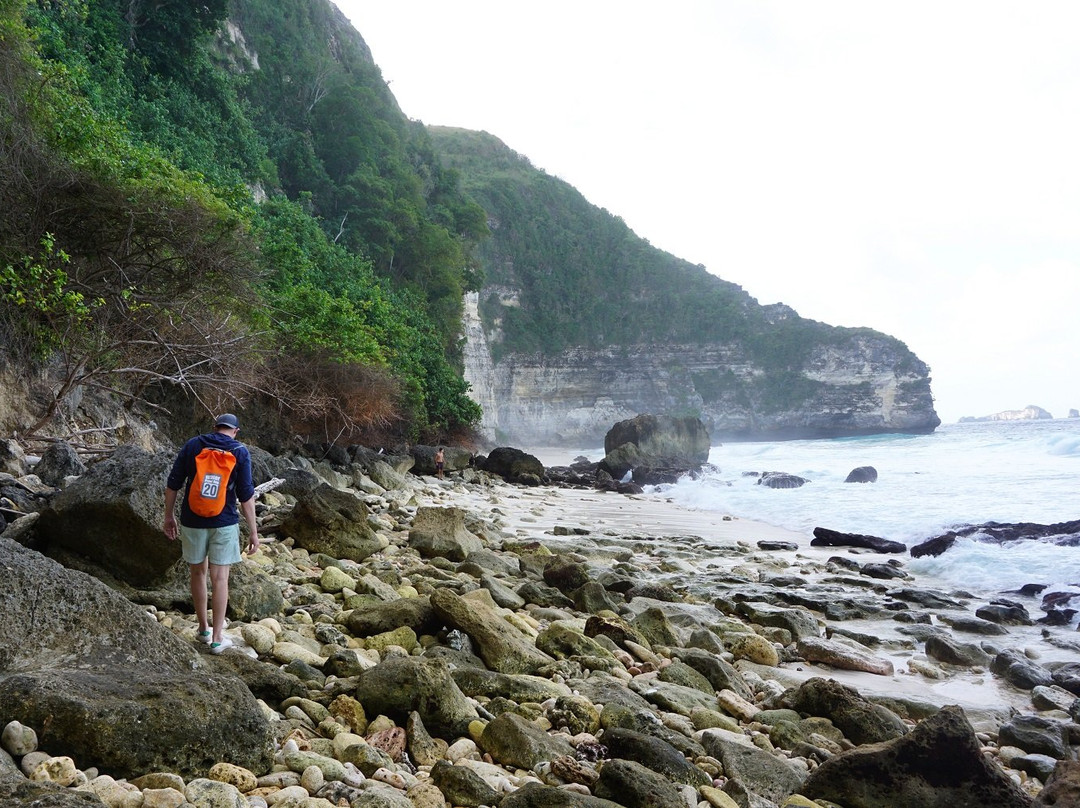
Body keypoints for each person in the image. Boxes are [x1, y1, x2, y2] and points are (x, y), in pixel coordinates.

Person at [163, 413, 258, 654]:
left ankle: (203, 628)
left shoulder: (193, 445)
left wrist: (169, 516)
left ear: (214, 428)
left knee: (197, 572)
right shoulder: (239, 451)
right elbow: (246, 495)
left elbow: (173, 483)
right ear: (235, 431)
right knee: (220, 579)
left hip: (192, 520)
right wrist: (254, 532)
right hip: (224, 522)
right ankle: (217, 638)